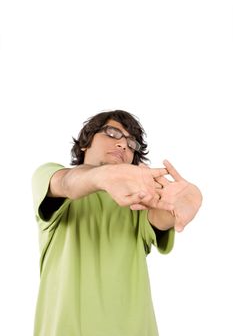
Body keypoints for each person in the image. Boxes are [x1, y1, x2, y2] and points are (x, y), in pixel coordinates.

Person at [32, 109, 202, 336]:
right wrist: (104, 175)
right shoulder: (51, 176)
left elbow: (160, 218)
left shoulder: (138, 202)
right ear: (85, 143)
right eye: (112, 133)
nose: (123, 145)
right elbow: (67, 184)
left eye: (132, 144)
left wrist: (186, 201)